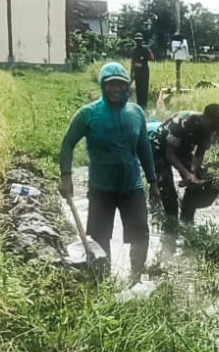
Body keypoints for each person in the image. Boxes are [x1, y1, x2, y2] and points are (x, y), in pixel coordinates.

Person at [59, 62, 160, 281]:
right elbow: (68, 144)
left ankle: (135, 277)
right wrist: (66, 176)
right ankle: (102, 279)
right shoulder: (88, 114)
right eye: (110, 85)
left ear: (127, 87)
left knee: (140, 233)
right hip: (101, 187)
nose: (115, 89)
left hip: (131, 186)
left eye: (120, 85)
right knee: (99, 236)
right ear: (102, 86)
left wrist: (153, 181)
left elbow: (144, 148)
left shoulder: (136, 113)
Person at [150, 104, 219, 230]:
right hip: (160, 146)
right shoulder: (184, 122)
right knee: (167, 189)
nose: (213, 133)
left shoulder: (212, 127)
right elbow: (170, 154)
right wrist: (185, 173)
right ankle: (169, 223)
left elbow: (200, 153)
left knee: (197, 184)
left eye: (216, 131)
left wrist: (193, 172)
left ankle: (186, 222)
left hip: (183, 148)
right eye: (213, 129)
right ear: (205, 119)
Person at [128, 35, 154, 108]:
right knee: (140, 90)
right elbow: (133, 62)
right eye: (137, 40)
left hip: (143, 72)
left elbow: (152, 59)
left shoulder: (143, 49)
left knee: (143, 90)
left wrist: (148, 51)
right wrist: (131, 73)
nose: (138, 42)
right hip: (139, 72)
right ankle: (141, 106)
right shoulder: (135, 50)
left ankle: (143, 106)